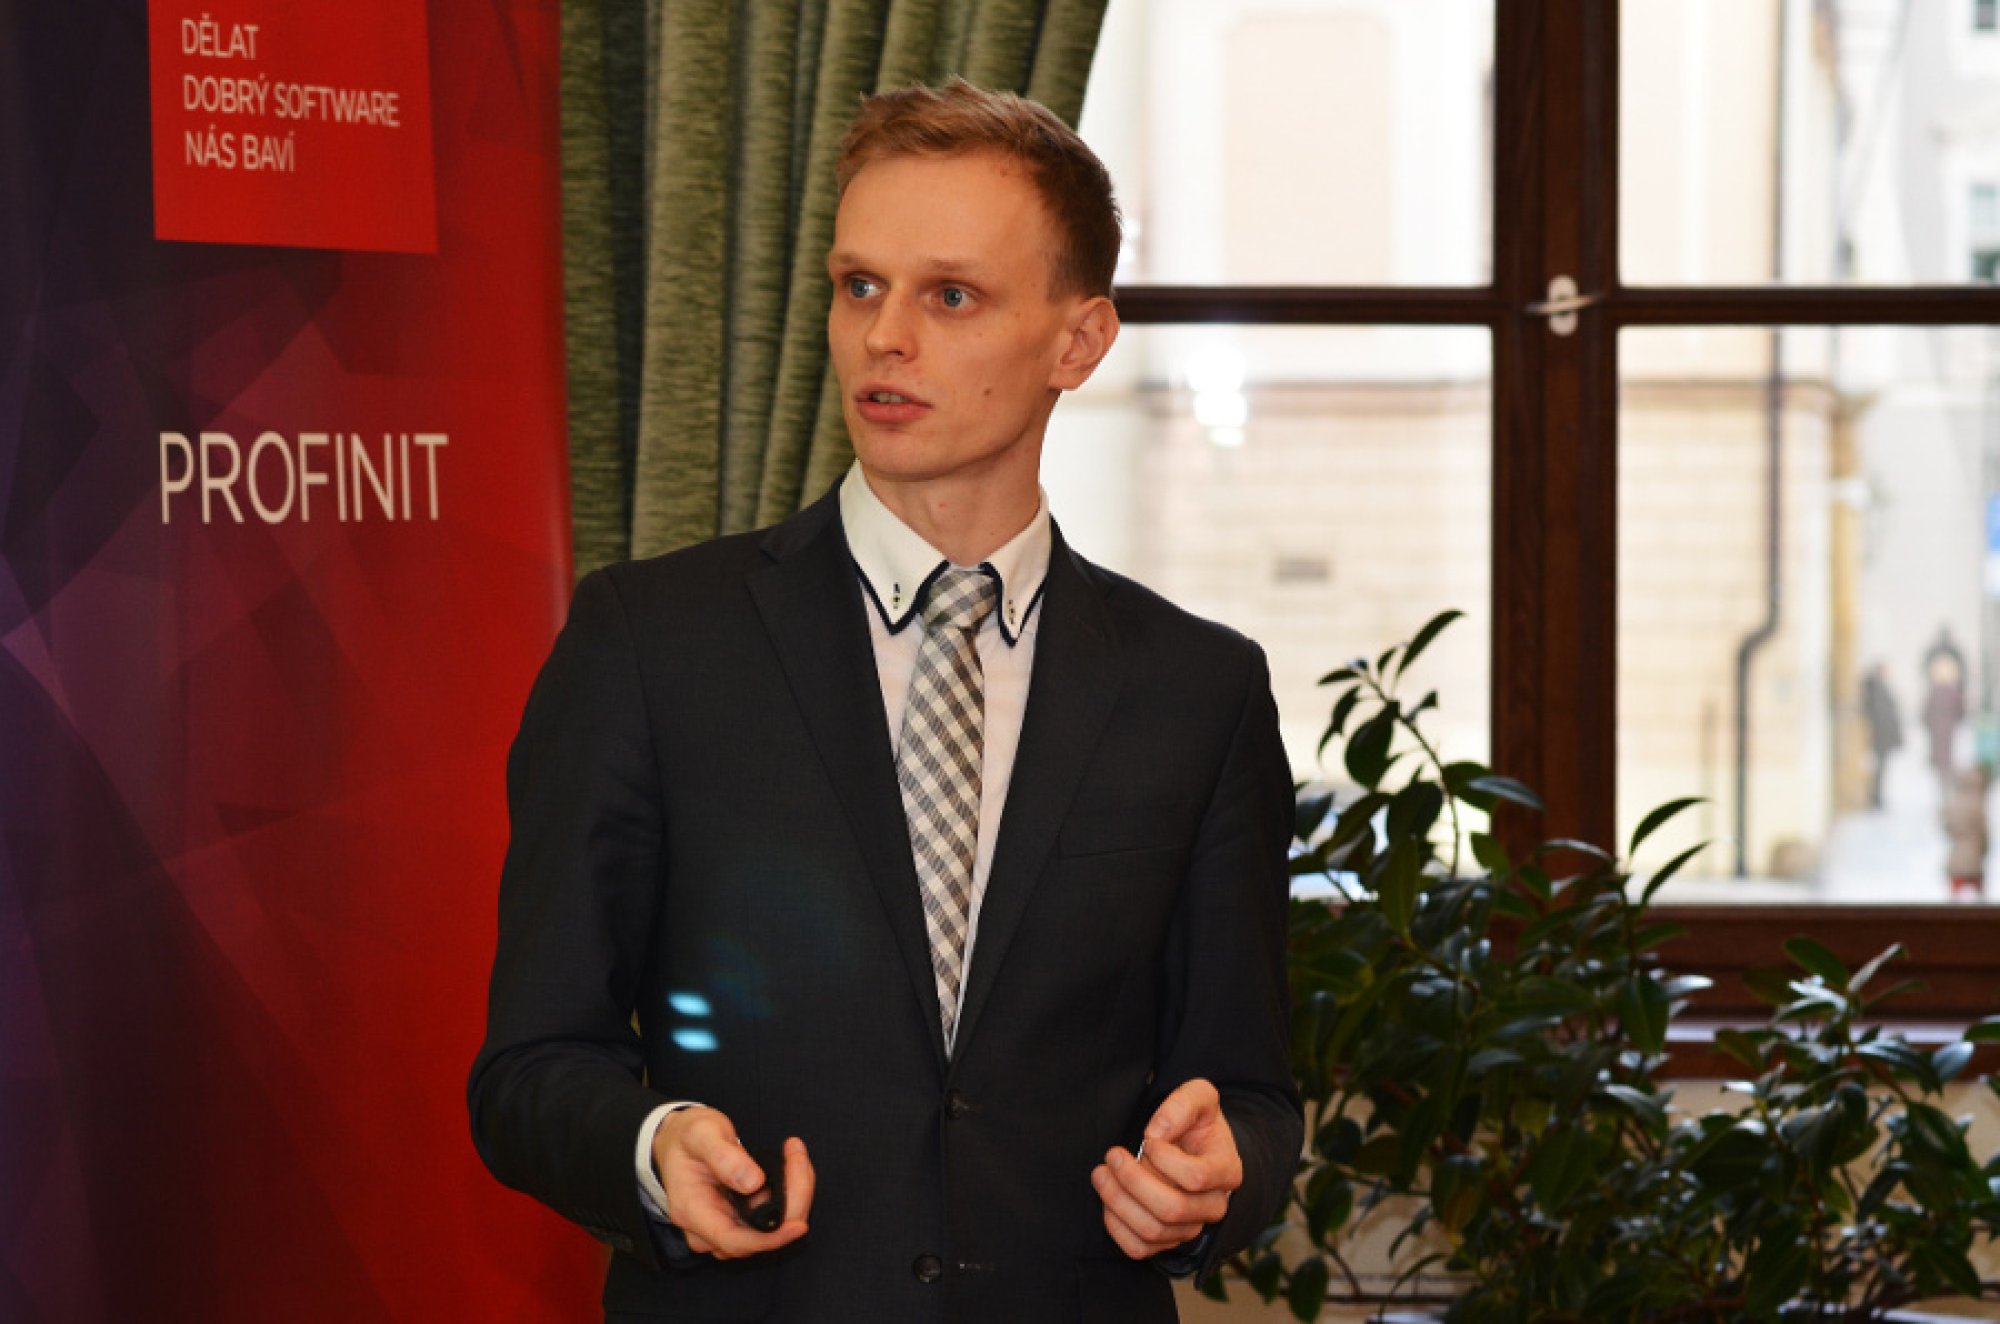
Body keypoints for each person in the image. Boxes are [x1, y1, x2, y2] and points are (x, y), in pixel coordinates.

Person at [468, 80, 1301, 1323]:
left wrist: (1217, 1173)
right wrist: (650, 1145)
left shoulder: (1198, 690)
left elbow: (1248, 1091)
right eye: (858, 286)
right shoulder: (648, 644)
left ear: (1078, 342)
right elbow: (530, 1066)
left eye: (949, 295)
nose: (883, 338)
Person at [1861, 661, 1901, 810]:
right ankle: (1875, 797)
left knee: (1881, 768)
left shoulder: (1878, 689)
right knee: (1877, 769)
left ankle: (1877, 796)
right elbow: (1880, 715)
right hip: (1878, 736)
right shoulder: (1875, 690)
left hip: (1882, 737)